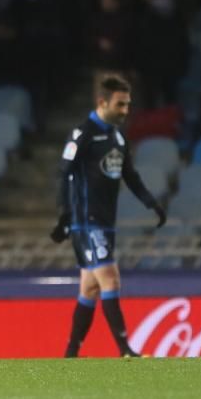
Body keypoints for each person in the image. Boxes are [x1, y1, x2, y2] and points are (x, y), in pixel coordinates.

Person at [51, 75, 167, 358]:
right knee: (110, 279)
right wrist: (65, 214)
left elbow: (130, 175)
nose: (126, 111)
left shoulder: (117, 136)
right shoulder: (84, 134)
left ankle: (71, 353)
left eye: (128, 104)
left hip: (105, 221)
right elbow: (64, 173)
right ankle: (125, 349)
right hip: (86, 220)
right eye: (120, 104)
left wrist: (151, 202)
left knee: (89, 288)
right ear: (102, 102)